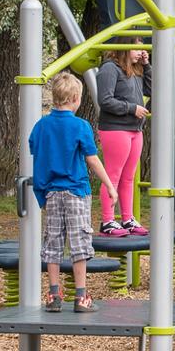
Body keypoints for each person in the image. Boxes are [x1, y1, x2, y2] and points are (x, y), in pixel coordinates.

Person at [29, 73, 119, 313]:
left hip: (52, 192)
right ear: (76, 98)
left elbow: (34, 149)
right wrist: (109, 185)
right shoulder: (80, 126)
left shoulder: (41, 125)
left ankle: (53, 294)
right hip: (77, 191)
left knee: (53, 242)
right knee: (79, 242)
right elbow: (91, 158)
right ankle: (81, 296)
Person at [93, 48, 150, 236]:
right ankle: (108, 220)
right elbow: (105, 100)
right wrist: (131, 108)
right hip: (116, 128)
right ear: (124, 47)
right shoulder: (109, 68)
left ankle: (127, 219)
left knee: (129, 177)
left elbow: (152, 89)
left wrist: (147, 66)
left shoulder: (136, 70)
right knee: (112, 175)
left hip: (135, 129)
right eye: (137, 48)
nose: (141, 52)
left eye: (143, 48)